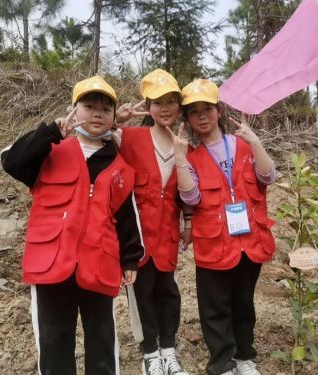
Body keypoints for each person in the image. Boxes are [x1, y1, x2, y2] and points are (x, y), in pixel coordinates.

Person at [0, 75, 144, 375]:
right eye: (89, 106)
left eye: (105, 109)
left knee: (103, 342)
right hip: (51, 264)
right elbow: (12, 162)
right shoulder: (48, 153)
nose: (97, 113)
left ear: (114, 117)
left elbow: (127, 215)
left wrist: (131, 257)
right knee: (53, 342)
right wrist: (51, 132)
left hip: (100, 263)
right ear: (74, 110)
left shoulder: (119, 165)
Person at [168, 79, 276, 375]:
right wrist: (179, 159)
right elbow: (191, 196)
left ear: (219, 111)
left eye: (208, 109)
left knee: (243, 304)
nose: (202, 116)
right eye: (194, 112)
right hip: (214, 243)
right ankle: (222, 363)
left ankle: (245, 357)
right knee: (215, 308)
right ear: (187, 119)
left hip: (248, 242)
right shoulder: (191, 156)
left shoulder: (243, 145)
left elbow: (268, 177)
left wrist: (255, 142)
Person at [114, 69, 191, 375]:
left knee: (169, 293)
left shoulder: (184, 147)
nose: (165, 108)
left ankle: (169, 350)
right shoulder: (131, 137)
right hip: (139, 238)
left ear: (179, 107)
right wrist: (119, 119)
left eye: (171, 101)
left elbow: (184, 194)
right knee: (142, 294)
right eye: (158, 102)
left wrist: (189, 224)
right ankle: (150, 355)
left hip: (168, 236)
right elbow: (98, 134)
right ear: (148, 106)